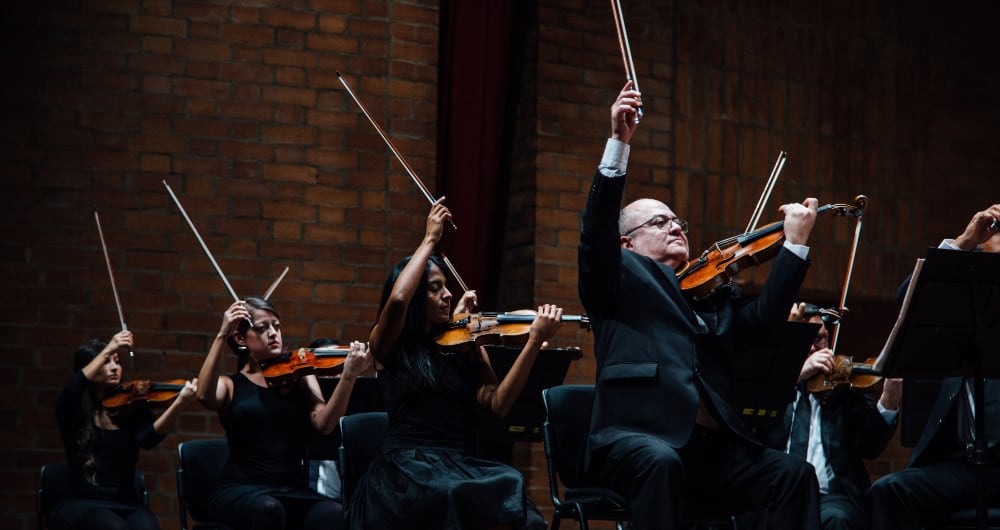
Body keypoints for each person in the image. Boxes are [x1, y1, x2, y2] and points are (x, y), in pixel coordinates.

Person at [577, 81, 822, 530]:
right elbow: (595, 234)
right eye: (659, 221)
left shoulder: (709, 292)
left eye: (677, 220)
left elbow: (763, 324)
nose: (675, 226)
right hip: (635, 440)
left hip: (710, 447)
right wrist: (618, 144)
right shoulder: (617, 277)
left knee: (792, 475)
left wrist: (794, 248)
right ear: (627, 243)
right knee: (660, 462)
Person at [348, 198, 562, 530]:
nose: (448, 295)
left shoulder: (463, 346)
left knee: (519, 501)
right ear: (418, 298)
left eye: (447, 287)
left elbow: (499, 403)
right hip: (406, 472)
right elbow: (399, 300)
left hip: (458, 463)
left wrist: (533, 342)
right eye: (435, 289)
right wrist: (430, 239)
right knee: (455, 497)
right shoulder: (390, 347)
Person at [868, 204, 1000, 530]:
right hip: (964, 465)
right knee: (889, 491)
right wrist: (963, 243)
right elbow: (907, 298)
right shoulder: (968, 302)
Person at [197, 297, 372, 530]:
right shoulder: (231, 385)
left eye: (276, 326)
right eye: (262, 328)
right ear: (240, 338)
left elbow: (325, 424)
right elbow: (203, 395)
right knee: (269, 509)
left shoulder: (300, 376)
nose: (273, 333)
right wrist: (221, 335)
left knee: (335, 514)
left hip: (291, 489)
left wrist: (349, 376)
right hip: (241, 489)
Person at [763, 302, 901, 530]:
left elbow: (869, 447)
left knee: (838, 518)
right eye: (804, 339)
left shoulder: (843, 389)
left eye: (819, 339)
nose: (813, 349)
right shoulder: (770, 385)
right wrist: (794, 376)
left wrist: (888, 401)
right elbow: (755, 432)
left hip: (831, 496)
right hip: (778, 493)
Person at [51, 330, 198, 530]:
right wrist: (111, 346)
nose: (115, 368)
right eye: (106, 362)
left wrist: (179, 404)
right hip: (80, 502)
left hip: (126, 502)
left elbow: (148, 439)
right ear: (90, 368)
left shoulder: (130, 406)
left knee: (148, 527)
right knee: (113, 527)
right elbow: (72, 389)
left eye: (118, 361)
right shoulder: (74, 410)